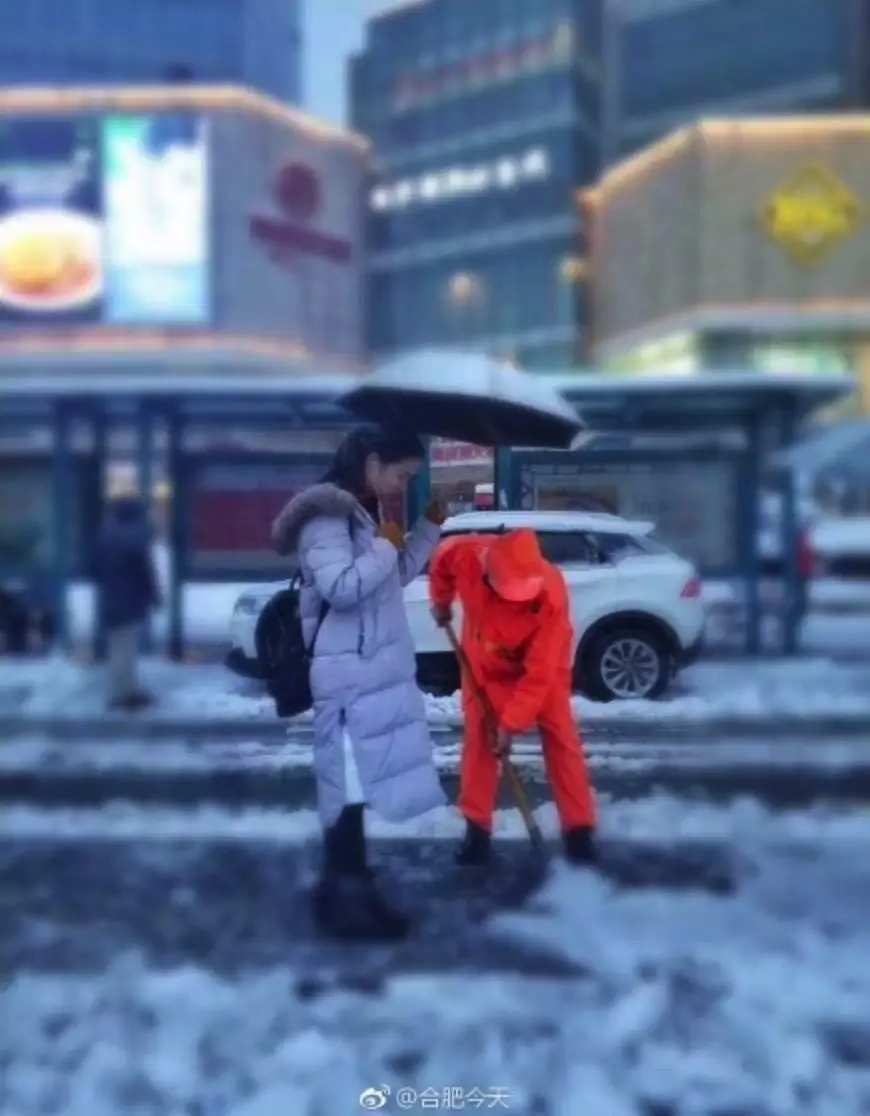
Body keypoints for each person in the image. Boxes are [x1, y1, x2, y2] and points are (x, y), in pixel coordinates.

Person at [271, 425, 447, 941]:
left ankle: (340, 894)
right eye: (401, 475)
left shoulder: (362, 514)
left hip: (366, 678)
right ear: (372, 463)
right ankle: (348, 905)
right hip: (348, 683)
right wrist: (385, 548)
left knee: (352, 793)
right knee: (346, 795)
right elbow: (342, 587)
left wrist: (427, 528)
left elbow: (392, 578)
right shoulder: (326, 517)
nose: (402, 485)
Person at [429, 527, 597, 866]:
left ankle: (579, 831)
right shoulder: (467, 555)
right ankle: (476, 831)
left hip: (541, 669)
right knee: (480, 742)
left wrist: (511, 724)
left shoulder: (550, 594)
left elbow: (539, 675)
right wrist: (441, 602)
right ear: (489, 572)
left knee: (561, 739)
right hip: (484, 664)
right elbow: (441, 563)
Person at [92, 495, 161, 711]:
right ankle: (123, 694)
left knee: (119, 647)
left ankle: (126, 689)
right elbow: (144, 572)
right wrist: (154, 596)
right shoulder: (133, 538)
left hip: (109, 601)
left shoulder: (105, 536)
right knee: (125, 648)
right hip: (129, 602)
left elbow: (94, 569)